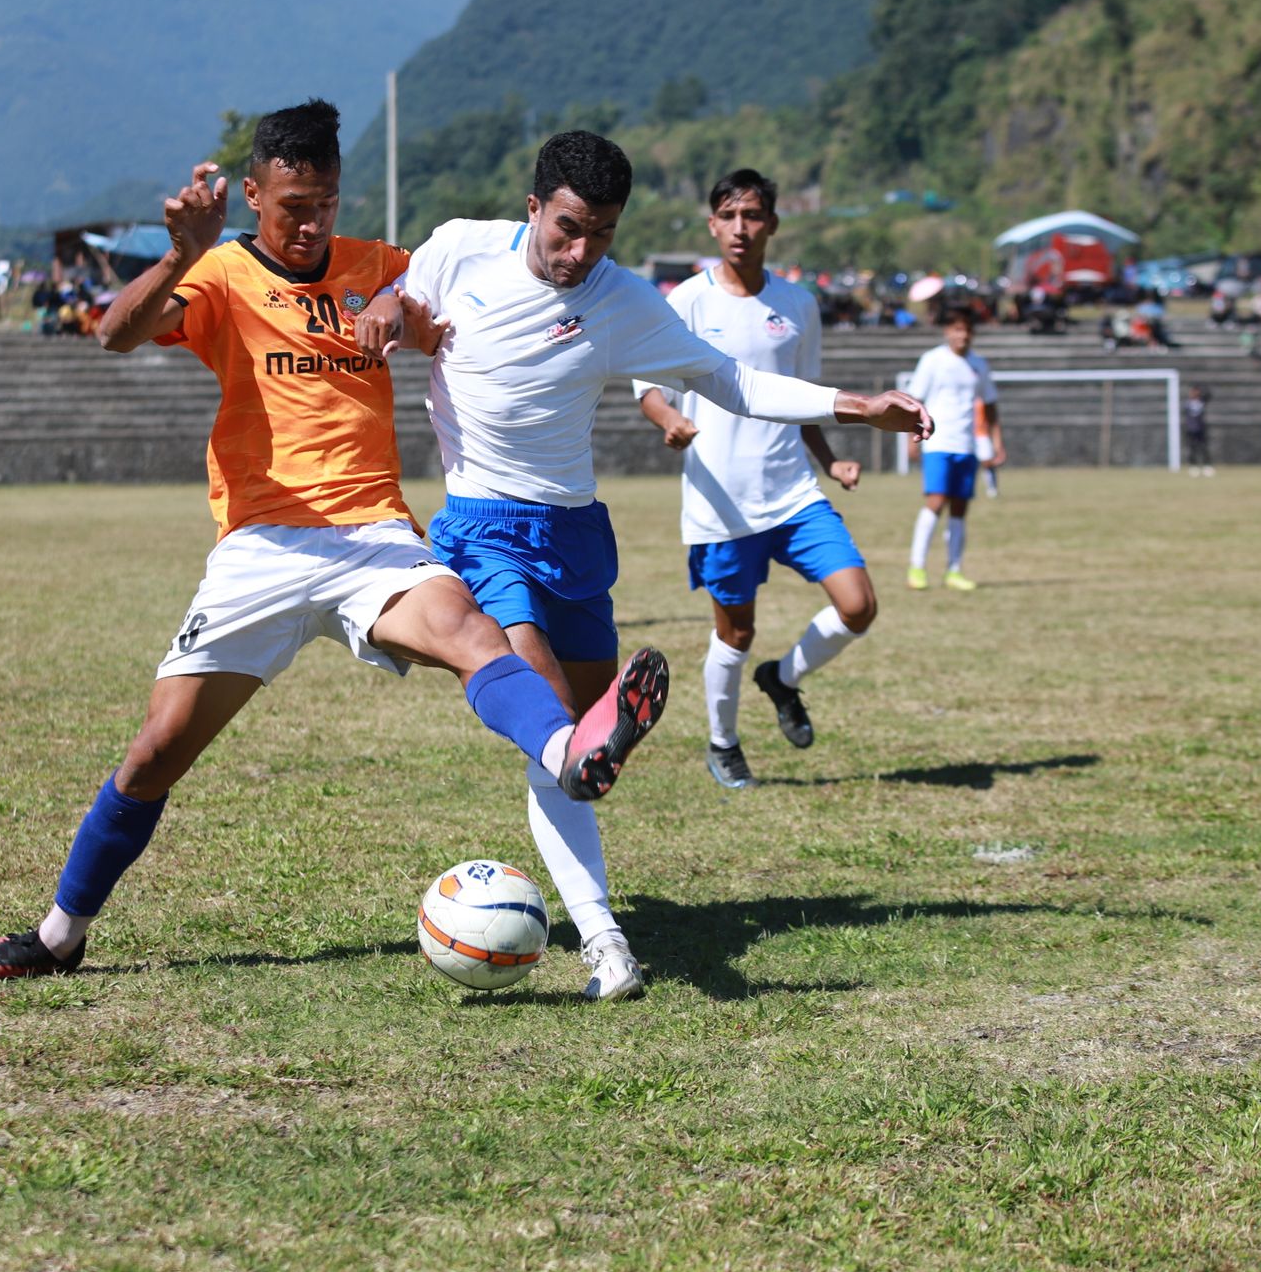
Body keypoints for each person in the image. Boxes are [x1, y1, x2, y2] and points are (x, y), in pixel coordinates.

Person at [0, 101, 663, 1001]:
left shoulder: (375, 264)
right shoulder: (222, 271)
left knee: (473, 632)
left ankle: (567, 755)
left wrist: (406, 309)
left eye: (325, 202)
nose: (312, 222)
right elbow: (113, 334)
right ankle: (59, 934)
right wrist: (180, 252)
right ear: (252, 194)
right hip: (261, 548)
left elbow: (453, 298)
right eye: (292, 205)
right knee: (158, 749)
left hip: (373, 538)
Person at [354, 132, 931, 983]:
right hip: (482, 525)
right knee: (552, 719)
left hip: (577, 534)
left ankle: (601, 920)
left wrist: (854, 405)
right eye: (568, 228)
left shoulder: (621, 300)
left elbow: (730, 380)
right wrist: (386, 308)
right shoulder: (459, 251)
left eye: (604, 233)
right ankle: (606, 943)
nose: (581, 251)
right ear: (533, 208)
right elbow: (394, 297)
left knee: (580, 759)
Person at [630, 169, 878, 789]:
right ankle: (723, 741)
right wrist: (669, 420)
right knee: (735, 632)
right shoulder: (685, 301)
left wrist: (831, 461)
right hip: (721, 503)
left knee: (858, 605)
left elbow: (807, 397)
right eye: (729, 215)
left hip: (794, 493)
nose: (741, 228)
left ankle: (784, 678)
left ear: (771, 224)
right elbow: (649, 389)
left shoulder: (798, 305)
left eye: (753, 216)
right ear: (713, 224)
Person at [903, 316, 997, 591]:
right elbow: (914, 399)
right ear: (947, 331)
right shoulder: (933, 360)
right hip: (938, 442)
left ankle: (953, 570)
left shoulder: (978, 364)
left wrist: (994, 441)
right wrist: (912, 437)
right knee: (936, 500)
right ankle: (917, 567)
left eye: (967, 329)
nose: (962, 335)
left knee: (960, 508)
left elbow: (990, 404)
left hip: (966, 445)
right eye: (957, 329)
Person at [1184, 384, 1212, 476]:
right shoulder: (1188, 403)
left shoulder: (1201, 401)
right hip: (1191, 429)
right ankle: (1193, 467)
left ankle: (1207, 466)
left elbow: (1209, 395)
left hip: (1201, 429)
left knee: (1204, 448)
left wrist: (1203, 390)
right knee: (1192, 448)